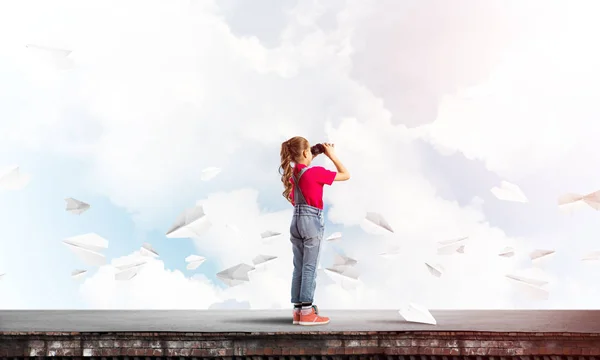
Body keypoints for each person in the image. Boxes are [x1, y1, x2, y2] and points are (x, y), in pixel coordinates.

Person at [279, 136, 350, 326]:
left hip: (296, 220)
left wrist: (314, 152)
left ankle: (297, 311)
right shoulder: (315, 173)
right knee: (310, 267)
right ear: (304, 153)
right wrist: (332, 155)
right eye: (309, 151)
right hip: (311, 221)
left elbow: (304, 170)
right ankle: (307, 312)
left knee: (299, 266)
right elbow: (345, 174)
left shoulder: (293, 174)